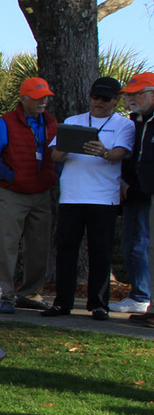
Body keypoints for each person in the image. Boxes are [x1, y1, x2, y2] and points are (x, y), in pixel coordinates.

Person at [43, 76, 135, 320]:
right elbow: (55, 157)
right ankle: (62, 303)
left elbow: (120, 154)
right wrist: (69, 145)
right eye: (95, 97)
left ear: (116, 100)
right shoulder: (73, 121)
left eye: (105, 99)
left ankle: (98, 304)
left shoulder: (124, 125)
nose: (99, 102)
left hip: (104, 198)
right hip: (72, 197)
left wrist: (103, 152)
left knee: (100, 251)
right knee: (66, 250)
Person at [0, 76, 58, 314]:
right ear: (23, 99)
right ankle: (4, 294)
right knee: (5, 244)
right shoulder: (5, 123)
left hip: (41, 193)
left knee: (39, 245)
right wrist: (11, 177)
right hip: (11, 193)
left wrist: (51, 178)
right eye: (37, 98)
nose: (43, 101)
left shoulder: (53, 124)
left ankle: (30, 293)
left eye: (45, 96)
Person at [115, 72, 154, 314]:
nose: (131, 98)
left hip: (148, 194)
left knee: (142, 245)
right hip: (135, 194)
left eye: (137, 94)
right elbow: (132, 157)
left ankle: (142, 296)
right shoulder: (134, 122)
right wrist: (124, 182)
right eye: (129, 94)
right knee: (133, 244)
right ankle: (141, 296)